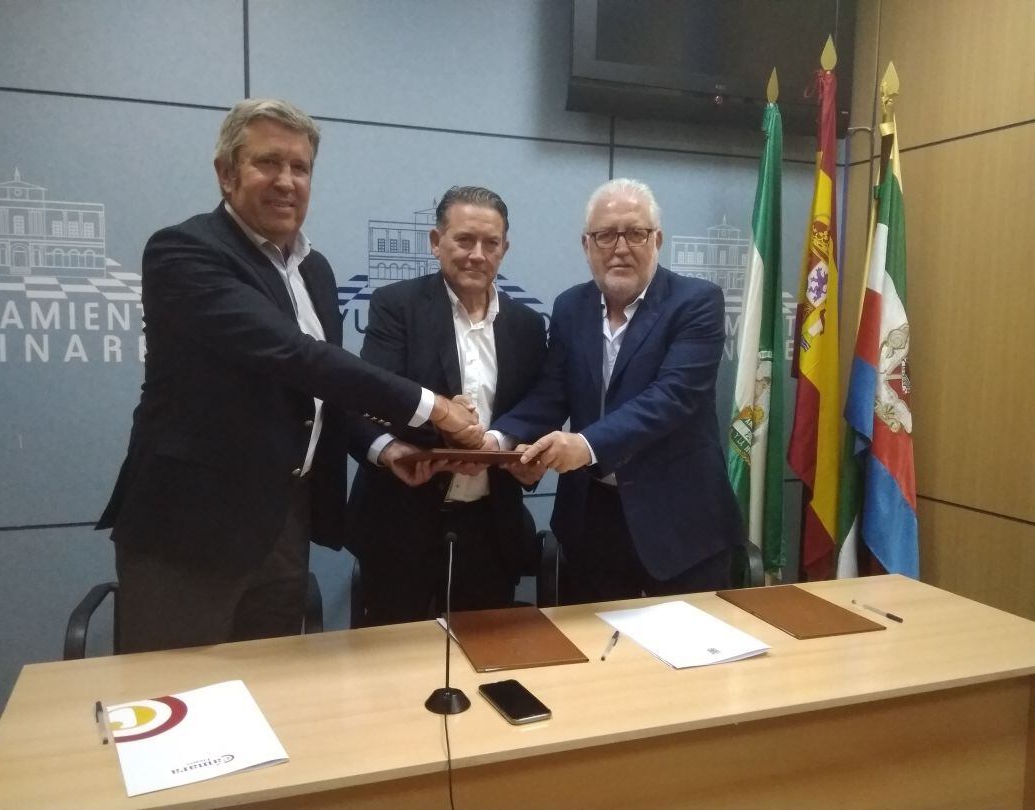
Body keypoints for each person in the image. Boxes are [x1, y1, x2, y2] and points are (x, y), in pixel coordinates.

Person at [97, 99, 480, 653]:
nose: (286, 181)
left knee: (270, 696)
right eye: (267, 163)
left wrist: (388, 453)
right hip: (190, 532)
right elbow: (294, 355)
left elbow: (323, 392)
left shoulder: (314, 270)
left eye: (300, 168)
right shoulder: (184, 251)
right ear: (227, 174)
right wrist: (435, 408)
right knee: (175, 704)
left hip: (283, 525)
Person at [492, 178, 744, 603]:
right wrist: (502, 439)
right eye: (606, 235)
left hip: (680, 527)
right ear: (587, 244)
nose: (620, 247)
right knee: (590, 658)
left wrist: (585, 444)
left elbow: (672, 397)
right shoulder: (570, 306)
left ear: (657, 239)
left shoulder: (697, 302)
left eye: (635, 233)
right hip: (591, 523)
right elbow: (553, 392)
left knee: (687, 662)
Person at [346, 186, 548, 625]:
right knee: (392, 668)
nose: (477, 254)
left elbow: (538, 407)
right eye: (464, 240)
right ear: (436, 243)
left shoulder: (529, 325)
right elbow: (367, 401)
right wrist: (440, 425)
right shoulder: (396, 307)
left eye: (490, 243)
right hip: (401, 523)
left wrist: (512, 446)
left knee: (484, 664)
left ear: (504, 249)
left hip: (491, 530)